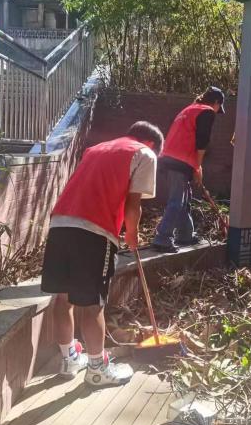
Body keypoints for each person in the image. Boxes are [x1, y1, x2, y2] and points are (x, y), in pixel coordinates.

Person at [41, 121, 164, 385]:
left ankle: (69, 359)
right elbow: (133, 204)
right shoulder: (145, 153)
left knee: (63, 298)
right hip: (95, 230)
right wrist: (132, 234)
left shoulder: (97, 149)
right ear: (151, 143)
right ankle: (97, 368)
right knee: (93, 304)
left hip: (61, 223)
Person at [152, 86, 225, 253]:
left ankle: (185, 235)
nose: (217, 111)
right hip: (180, 160)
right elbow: (202, 141)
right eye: (218, 107)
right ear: (216, 102)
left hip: (168, 158)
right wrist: (197, 167)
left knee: (183, 200)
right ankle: (162, 238)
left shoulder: (189, 109)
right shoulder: (206, 111)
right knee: (177, 201)